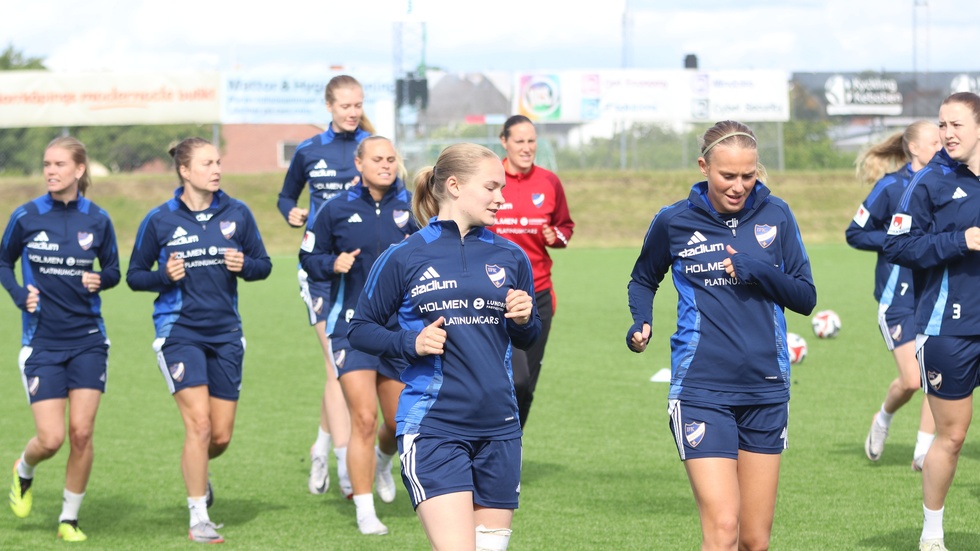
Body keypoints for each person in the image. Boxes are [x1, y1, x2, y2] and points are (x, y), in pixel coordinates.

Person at [625, 121, 816, 550]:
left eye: (749, 175)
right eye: (728, 176)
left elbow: (805, 297)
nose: (739, 186)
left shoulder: (778, 214)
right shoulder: (674, 220)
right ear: (704, 167)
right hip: (701, 389)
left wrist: (758, 270)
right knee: (723, 527)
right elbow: (643, 279)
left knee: (754, 541)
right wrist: (641, 321)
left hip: (766, 389)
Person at [348, 143, 540, 550]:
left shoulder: (511, 256)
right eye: (491, 187)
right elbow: (361, 329)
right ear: (454, 186)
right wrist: (410, 342)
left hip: (501, 429)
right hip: (435, 427)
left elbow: (527, 337)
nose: (501, 197)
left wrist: (524, 319)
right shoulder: (405, 256)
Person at [127, 137, 272, 544]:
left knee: (220, 437)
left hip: (226, 333)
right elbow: (135, 275)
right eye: (207, 163)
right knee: (200, 425)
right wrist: (162, 277)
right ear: (185, 171)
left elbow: (263, 265)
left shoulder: (237, 213)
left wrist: (246, 265)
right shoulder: (159, 220)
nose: (216, 169)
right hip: (178, 332)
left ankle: (198, 473)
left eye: (218, 162)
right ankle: (198, 516)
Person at [1, 137, 120, 543]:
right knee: (50, 439)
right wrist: (19, 296)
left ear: (79, 170)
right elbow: (3, 261)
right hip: (43, 344)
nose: (51, 171)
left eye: (59, 164)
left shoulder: (98, 219)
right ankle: (23, 470)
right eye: (46, 164)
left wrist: (100, 278)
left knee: (82, 434)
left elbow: (115, 271)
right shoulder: (26, 215)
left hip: (88, 340)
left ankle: (69, 518)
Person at [299, 136, 418, 535]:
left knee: (398, 422)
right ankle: (364, 510)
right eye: (377, 159)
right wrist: (334, 262)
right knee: (363, 418)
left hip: (398, 331)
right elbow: (309, 257)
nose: (386, 165)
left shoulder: (411, 207)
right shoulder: (336, 209)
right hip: (350, 328)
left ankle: (384, 462)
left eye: (391, 159)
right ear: (359, 163)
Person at [882, 92, 980, 551]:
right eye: (943, 125)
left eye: (957, 124)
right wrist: (960, 240)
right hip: (949, 327)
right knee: (953, 435)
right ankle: (932, 534)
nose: (948, 134)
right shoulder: (929, 182)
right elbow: (897, 247)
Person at [278, 74, 376, 498]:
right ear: (329, 106)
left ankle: (320, 446)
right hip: (320, 270)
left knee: (337, 370)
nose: (352, 112)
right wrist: (292, 213)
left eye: (358, 105)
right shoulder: (309, 150)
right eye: (345, 105)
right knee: (338, 366)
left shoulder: (374, 147)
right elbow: (285, 197)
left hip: (361, 272)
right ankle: (343, 466)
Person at [845, 121, 941, 470]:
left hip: (936, 295)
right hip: (897, 298)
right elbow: (854, 233)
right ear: (914, 148)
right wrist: (896, 241)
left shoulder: (944, 183)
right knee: (912, 380)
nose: (942, 144)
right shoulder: (890, 186)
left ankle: (922, 452)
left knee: (934, 375)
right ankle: (883, 419)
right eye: (935, 140)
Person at [489, 115, 574, 429]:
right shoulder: (490, 177)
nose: (526, 148)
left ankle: (510, 447)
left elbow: (565, 227)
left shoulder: (549, 182)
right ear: (504, 141)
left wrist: (557, 236)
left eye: (531, 141)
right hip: (495, 296)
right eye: (519, 141)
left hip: (538, 294)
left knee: (528, 383)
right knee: (516, 379)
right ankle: (495, 441)